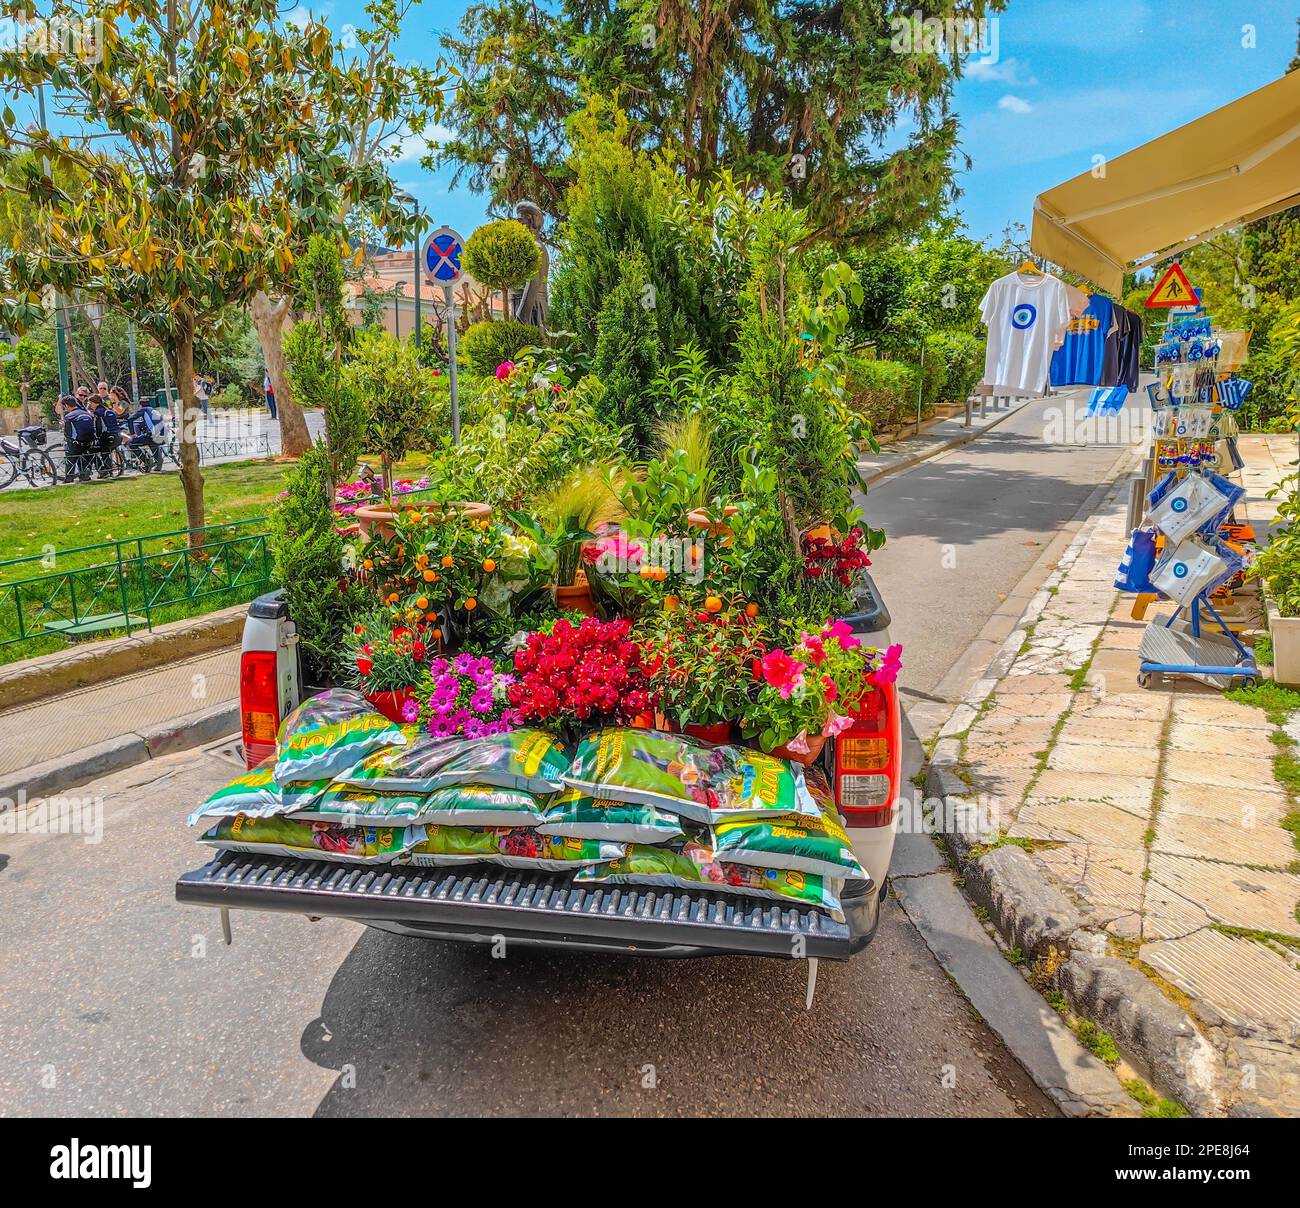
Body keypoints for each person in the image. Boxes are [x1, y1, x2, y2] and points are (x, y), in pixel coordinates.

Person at [61, 392, 100, 483]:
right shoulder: (86, 413)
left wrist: (68, 440)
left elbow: (68, 433)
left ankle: (69, 478)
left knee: (71, 455)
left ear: (67, 406)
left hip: (77, 443)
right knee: (83, 455)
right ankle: (84, 476)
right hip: (89, 442)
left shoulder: (69, 416)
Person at [126, 395, 164, 471]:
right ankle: (158, 463)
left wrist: (133, 433)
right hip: (163, 436)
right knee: (151, 441)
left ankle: (146, 461)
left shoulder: (144, 410)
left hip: (153, 435)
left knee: (131, 443)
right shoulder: (154, 410)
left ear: (140, 405)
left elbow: (130, 419)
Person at [89, 390, 121, 478]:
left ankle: (103, 471)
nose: (90, 404)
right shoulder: (107, 409)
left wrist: (96, 436)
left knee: (90, 450)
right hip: (117, 437)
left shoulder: (98, 412)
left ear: (95, 403)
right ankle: (109, 471)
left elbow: (98, 428)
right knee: (105, 452)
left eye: (90, 402)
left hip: (107, 438)